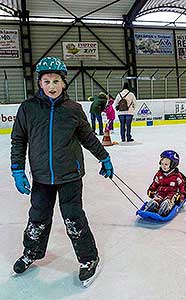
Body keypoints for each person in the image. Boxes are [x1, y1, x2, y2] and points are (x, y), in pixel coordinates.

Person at [10, 56, 114, 286]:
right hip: (42, 177)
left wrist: (104, 157)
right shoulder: (28, 109)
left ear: (64, 82)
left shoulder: (73, 109)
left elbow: (88, 138)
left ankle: (88, 258)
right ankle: (31, 253)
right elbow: (18, 140)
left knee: (73, 219)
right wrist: (17, 169)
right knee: (37, 218)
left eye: (56, 81)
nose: (52, 86)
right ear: (40, 83)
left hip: (70, 176)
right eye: (46, 81)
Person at [145, 150, 186, 216]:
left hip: (172, 194)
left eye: (166, 164)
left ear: (173, 164)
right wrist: (151, 190)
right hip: (161, 192)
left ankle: (164, 210)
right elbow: (155, 183)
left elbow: (183, 187)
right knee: (156, 199)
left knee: (167, 201)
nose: (163, 166)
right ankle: (153, 206)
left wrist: (181, 196)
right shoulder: (159, 174)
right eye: (162, 164)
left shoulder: (177, 176)